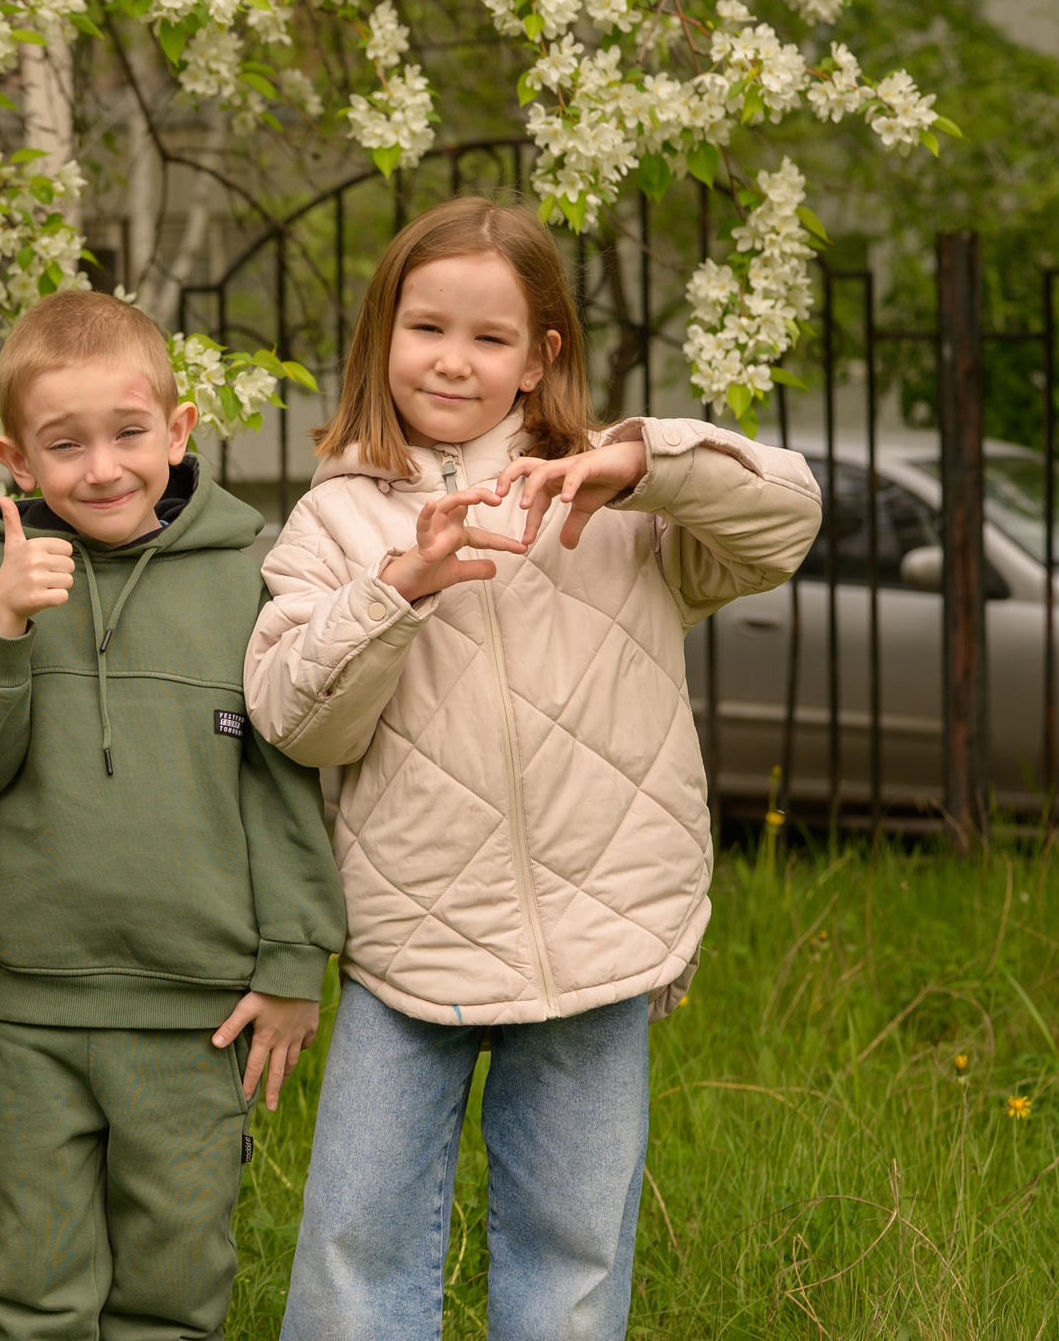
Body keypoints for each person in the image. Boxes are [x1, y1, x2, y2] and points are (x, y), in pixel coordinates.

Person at [247, 196, 821, 1341]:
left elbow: (784, 521)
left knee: (570, 1253)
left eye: (489, 336)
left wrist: (644, 461)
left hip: (602, 927)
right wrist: (394, 590)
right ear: (381, 336)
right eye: (425, 328)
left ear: (539, 355)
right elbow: (295, 718)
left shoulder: (614, 502)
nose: (452, 360)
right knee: (355, 1247)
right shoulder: (330, 523)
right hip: (406, 938)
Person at [0, 289, 345, 1341]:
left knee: (173, 1286)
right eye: (63, 444)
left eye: (129, 433)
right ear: (16, 460)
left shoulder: (246, 577)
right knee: (33, 1286)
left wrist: (294, 956)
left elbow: (282, 776)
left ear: (178, 431)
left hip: (195, 1008)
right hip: (27, 1006)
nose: (102, 467)